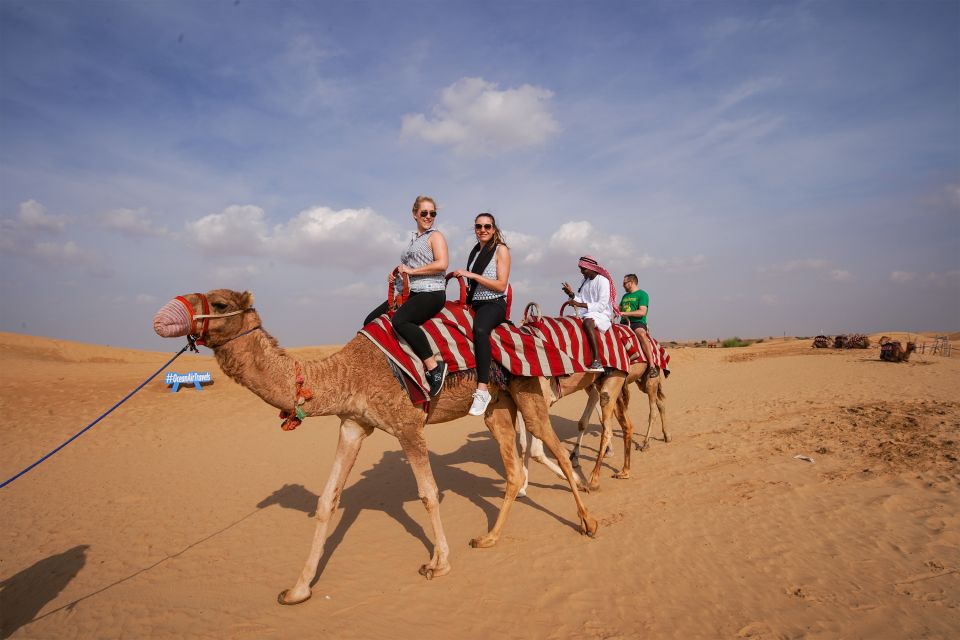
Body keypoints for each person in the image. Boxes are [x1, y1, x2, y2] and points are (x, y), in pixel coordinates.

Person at [363, 195, 449, 396]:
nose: (429, 217)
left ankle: (434, 367)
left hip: (432, 292)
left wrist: (411, 272)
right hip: (410, 292)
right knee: (370, 321)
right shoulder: (414, 239)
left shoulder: (435, 236)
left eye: (432, 213)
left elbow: (442, 263)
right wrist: (396, 276)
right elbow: (411, 266)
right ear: (415, 214)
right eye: (424, 213)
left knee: (400, 321)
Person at [453, 213, 511, 416]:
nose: (483, 230)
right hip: (475, 303)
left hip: (494, 303)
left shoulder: (501, 250)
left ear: (494, 229)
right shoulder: (475, 251)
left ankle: (483, 388)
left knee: (479, 329)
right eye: (479, 226)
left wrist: (473, 275)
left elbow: (501, 284)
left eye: (487, 226)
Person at [561, 255, 618, 372]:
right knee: (567, 321)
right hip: (586, 312)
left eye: (583, 269)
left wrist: (579, 305)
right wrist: (571, 294)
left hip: (601, 314)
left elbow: (601, 305)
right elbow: (581, 300)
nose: (581, 272)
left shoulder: (603, 281)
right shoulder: (585, 282)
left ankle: (597, 361)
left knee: (587, 323)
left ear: (591, 268)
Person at [619, 273, 659, 378]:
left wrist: (624, 313)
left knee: (641, 334)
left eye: (624, 283)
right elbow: (619, 309)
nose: (623, 285)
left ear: (631, 283)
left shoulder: (642, 294)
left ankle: (651, 365)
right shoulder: (624, 296)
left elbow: (642, 312)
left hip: (637, 323)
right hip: (623, 324)